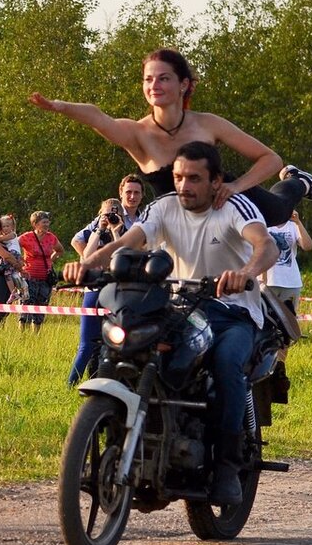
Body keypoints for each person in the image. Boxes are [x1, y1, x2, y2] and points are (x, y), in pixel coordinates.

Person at [62, 141, 278, 505]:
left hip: (232, 311)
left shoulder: (233, 207)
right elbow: (131, 239)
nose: (184, 186)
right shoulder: (163, 207)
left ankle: (226, 466)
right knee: (129, 353)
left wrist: (245, 273)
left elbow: (266, 246)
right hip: (179, 307)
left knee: (227, 365)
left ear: (216, 181)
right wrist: (90, 263)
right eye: (178, 177)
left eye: (194, 178)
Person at [29, 47, 312, 227]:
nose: (154, 85)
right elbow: (97, 117)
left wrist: (237, 187)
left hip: (226, 206)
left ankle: (299, 181)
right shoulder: (137, 134)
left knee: (279, 213)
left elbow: (270, 159)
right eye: (148, 79)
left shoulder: (208, 124)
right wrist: (60, 107)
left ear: (184, 85)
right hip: (179, 227)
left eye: (163, 78)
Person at [67, 198, 128, 387]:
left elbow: (123, 254)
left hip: (115, 290)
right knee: (86, 343)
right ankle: (71, 384)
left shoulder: (124, 229)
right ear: (100, 213)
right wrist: (100, 229)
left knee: (113, 342)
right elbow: (87, 255)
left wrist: (116, 230)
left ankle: (107, 382)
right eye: (107, 213)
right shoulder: (93, 229)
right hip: (93, 289)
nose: (110, 216)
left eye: (114, 212)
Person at [17, 211, 65, 332]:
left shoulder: (51, 237)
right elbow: (13, 247)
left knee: (41, 307)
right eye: (44, 222)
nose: (47, 224)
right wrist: (19, 261)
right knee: (26, 306)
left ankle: (36, 335)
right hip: (29, 277)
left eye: (48, 221)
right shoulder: (26, 237)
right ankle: (22, 335)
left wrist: (50, 261)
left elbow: (60, 250)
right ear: (35, 223)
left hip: (45, 279)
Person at [72, 175, 144, 255]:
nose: (132, 196)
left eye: (136, 192)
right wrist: (92, 262)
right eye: (128, 192)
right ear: (121, 193)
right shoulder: (108, 214)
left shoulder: (144, 220)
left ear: (142, 195)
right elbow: (77, 240)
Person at [262, 210, 312, 314]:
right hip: (268, 283)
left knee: (289, 320)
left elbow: (308, 246)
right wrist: (263, 279)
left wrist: (298, 222)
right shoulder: (264, 224)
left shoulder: (293, 225)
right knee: (266, 319)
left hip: (291, 283)